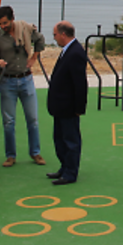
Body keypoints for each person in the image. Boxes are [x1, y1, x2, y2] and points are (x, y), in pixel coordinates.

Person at [0, 5, 46, 167]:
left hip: (26, 79)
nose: (3, 26)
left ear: (12, 18)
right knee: (8, 121)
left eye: (5, 23)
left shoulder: (25, 29)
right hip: (7, 81)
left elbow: (40, 39)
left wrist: (34, 57)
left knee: (33, 119)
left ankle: (35, 153)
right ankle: (10, 155)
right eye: (0, 24)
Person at [46, 21, 88, 185]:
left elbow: (80, 83)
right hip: (60, 106)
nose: (54, 38)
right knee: (59, 138)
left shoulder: (76, 52)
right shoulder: (68, 51)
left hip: (69, 106)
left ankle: (70, 172)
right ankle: (64, 167)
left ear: (63, 34)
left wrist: (79, 107)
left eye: (55, 34)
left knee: (70, 140)